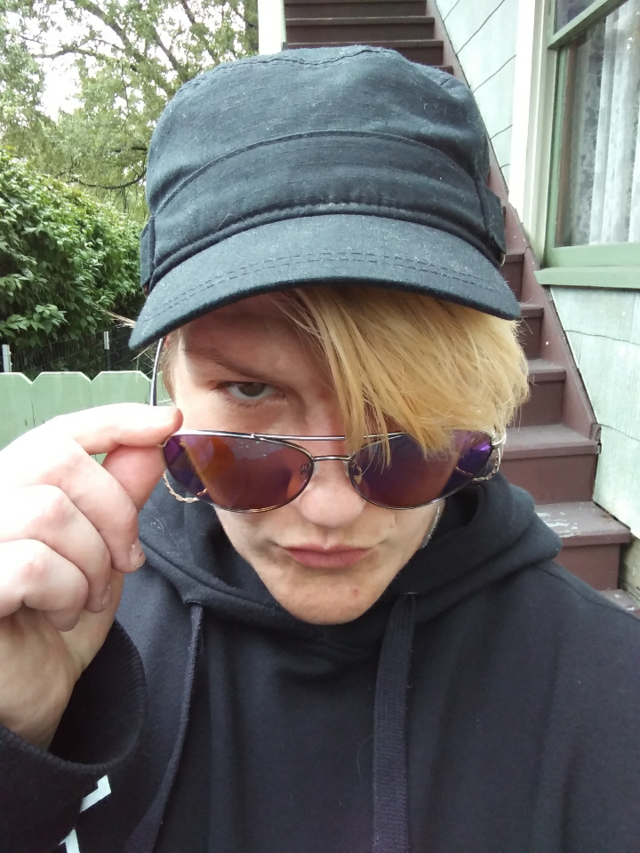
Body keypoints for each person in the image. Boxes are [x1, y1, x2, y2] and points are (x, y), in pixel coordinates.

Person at [1, 46, 639, 853]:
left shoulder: (614, 695)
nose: (332, 509)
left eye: (402, 421)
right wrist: (18, 750)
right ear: (167, 388)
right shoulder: (52, 626)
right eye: (251, 390)